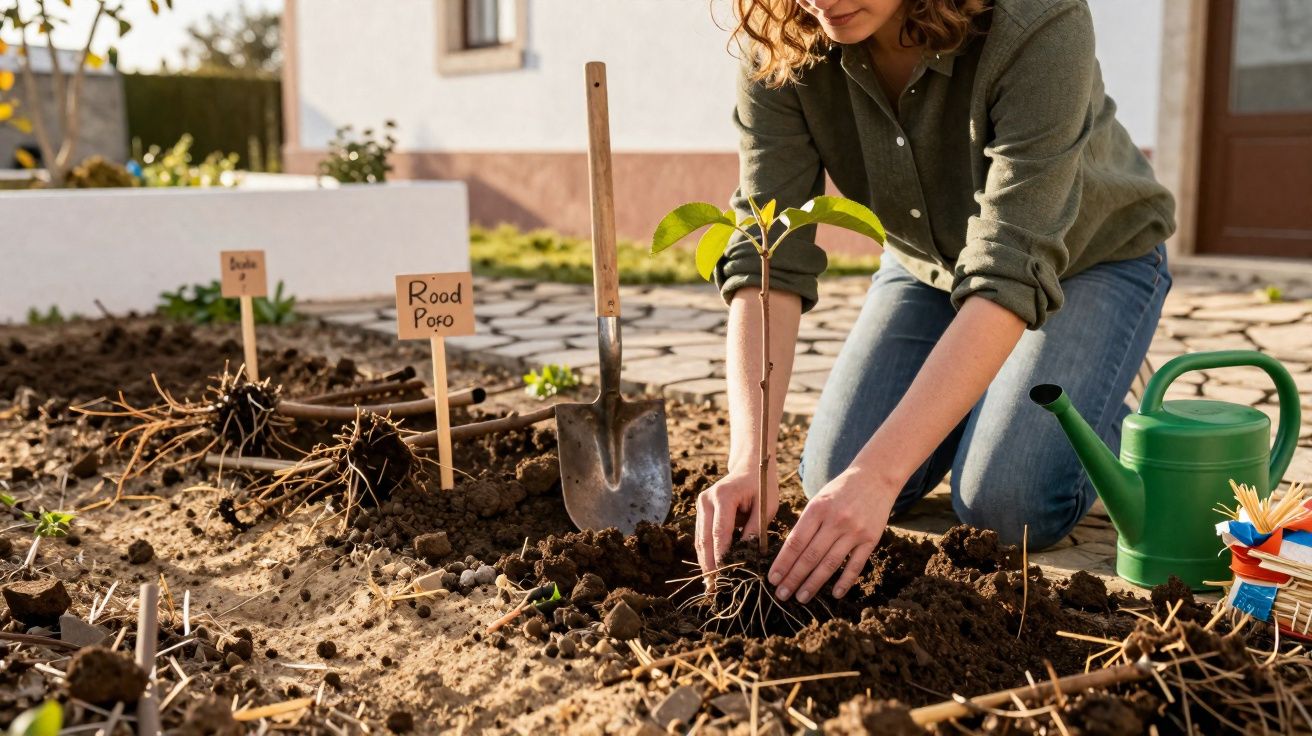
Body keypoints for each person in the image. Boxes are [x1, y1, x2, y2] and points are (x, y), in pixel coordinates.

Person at [696, 0, 1176, 606]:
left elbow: (1011, 264)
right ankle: (993, 376)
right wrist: (751, 460)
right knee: (831, 475)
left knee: (1007, 507)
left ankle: (1101, 375)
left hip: (1090, 260)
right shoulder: (784, 37)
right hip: (929, 268)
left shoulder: (1038, 20)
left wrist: (878, 475)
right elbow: (768, 254)